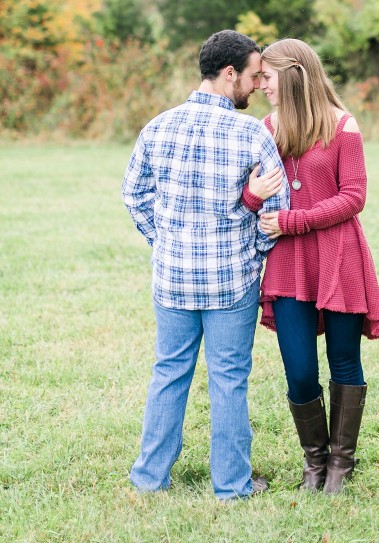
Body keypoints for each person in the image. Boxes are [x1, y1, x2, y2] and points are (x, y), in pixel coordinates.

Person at [122, 29, 289, 500]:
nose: (258, 85)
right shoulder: (252, 133)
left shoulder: (157, 126)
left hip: (172, 277)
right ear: (229, 73)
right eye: (254, 75)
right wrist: (252, 247)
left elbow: (134, 194)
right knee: (229, 379)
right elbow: (277, 206)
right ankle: (232, 487)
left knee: (169, 372)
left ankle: (149, 480)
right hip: (230, 281)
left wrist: (167, 240)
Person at [243, 37, 379, 494]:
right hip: (289, 263)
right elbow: (250, 198)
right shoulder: (266, 129)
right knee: (300, 369)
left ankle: (341, 466)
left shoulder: (343, 127)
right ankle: (315, 460)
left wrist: (293, 220)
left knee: (344, 360)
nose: (261, 84)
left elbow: (354, 197)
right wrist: (254, 197)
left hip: (338, 255)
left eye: (267, 76)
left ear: (294, 74)